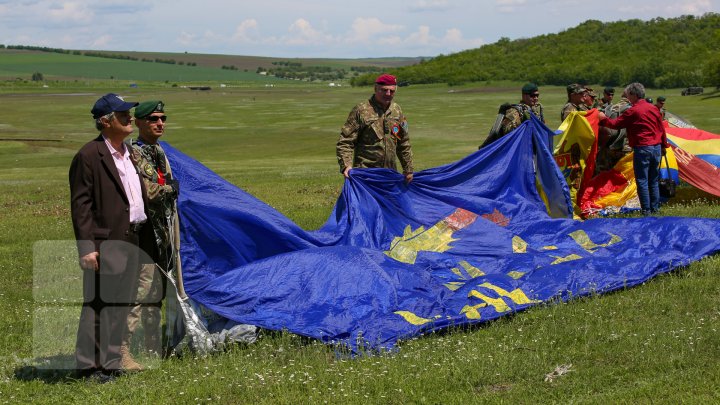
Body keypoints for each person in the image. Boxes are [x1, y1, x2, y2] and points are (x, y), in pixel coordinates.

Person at [69, 93, 155, 382]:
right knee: (98, 306)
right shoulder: (89, 156)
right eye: (121, 115)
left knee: (120, 304)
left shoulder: (129, 152)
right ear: (105, 122)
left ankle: (110, 362)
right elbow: (81, 207)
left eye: (128, 113)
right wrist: (87, 248)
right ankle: (89, 367)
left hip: (133, 238)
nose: (129, 118)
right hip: (106, 243)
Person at [121, 101, 179, 370]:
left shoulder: (159, 151)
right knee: (139, 293)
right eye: (154, 119)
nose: (160, 123)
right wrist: (169, 189)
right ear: (140, 122)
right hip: (144, 234)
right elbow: (151, 192)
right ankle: (121, 351)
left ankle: (153, 346)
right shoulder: (135, 153)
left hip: (163, 235)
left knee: (157, 292)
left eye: (163, 118)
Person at [599, 83, 669, 214]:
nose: (627, 97)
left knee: (642, 180)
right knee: (653, 179)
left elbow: (616, 124)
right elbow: (661, 128)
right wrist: (664, 145)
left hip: (643, 148)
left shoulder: (633, 111)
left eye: (628, 95)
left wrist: (603, 120)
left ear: (634, 95)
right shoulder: (654, 108)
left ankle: (646, 211)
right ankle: (655, 209)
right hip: (656, 148)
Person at [337, 73, 414, 182]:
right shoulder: (361, 110)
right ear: (375, 89)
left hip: (390, 174)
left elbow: (404, 142)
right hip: (365, 174)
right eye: (384, 90)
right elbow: (345, 141)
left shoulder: (397, 110)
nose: (388, 94)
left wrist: (408, 169)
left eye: (391, 91)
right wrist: (346, 166)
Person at [480, 83, 545, 148]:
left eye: (537, 95)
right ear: (524, 96)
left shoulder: (534, 111)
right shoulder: (514, 112)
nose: (536, 98)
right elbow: (510, 135)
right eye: (532, 96)